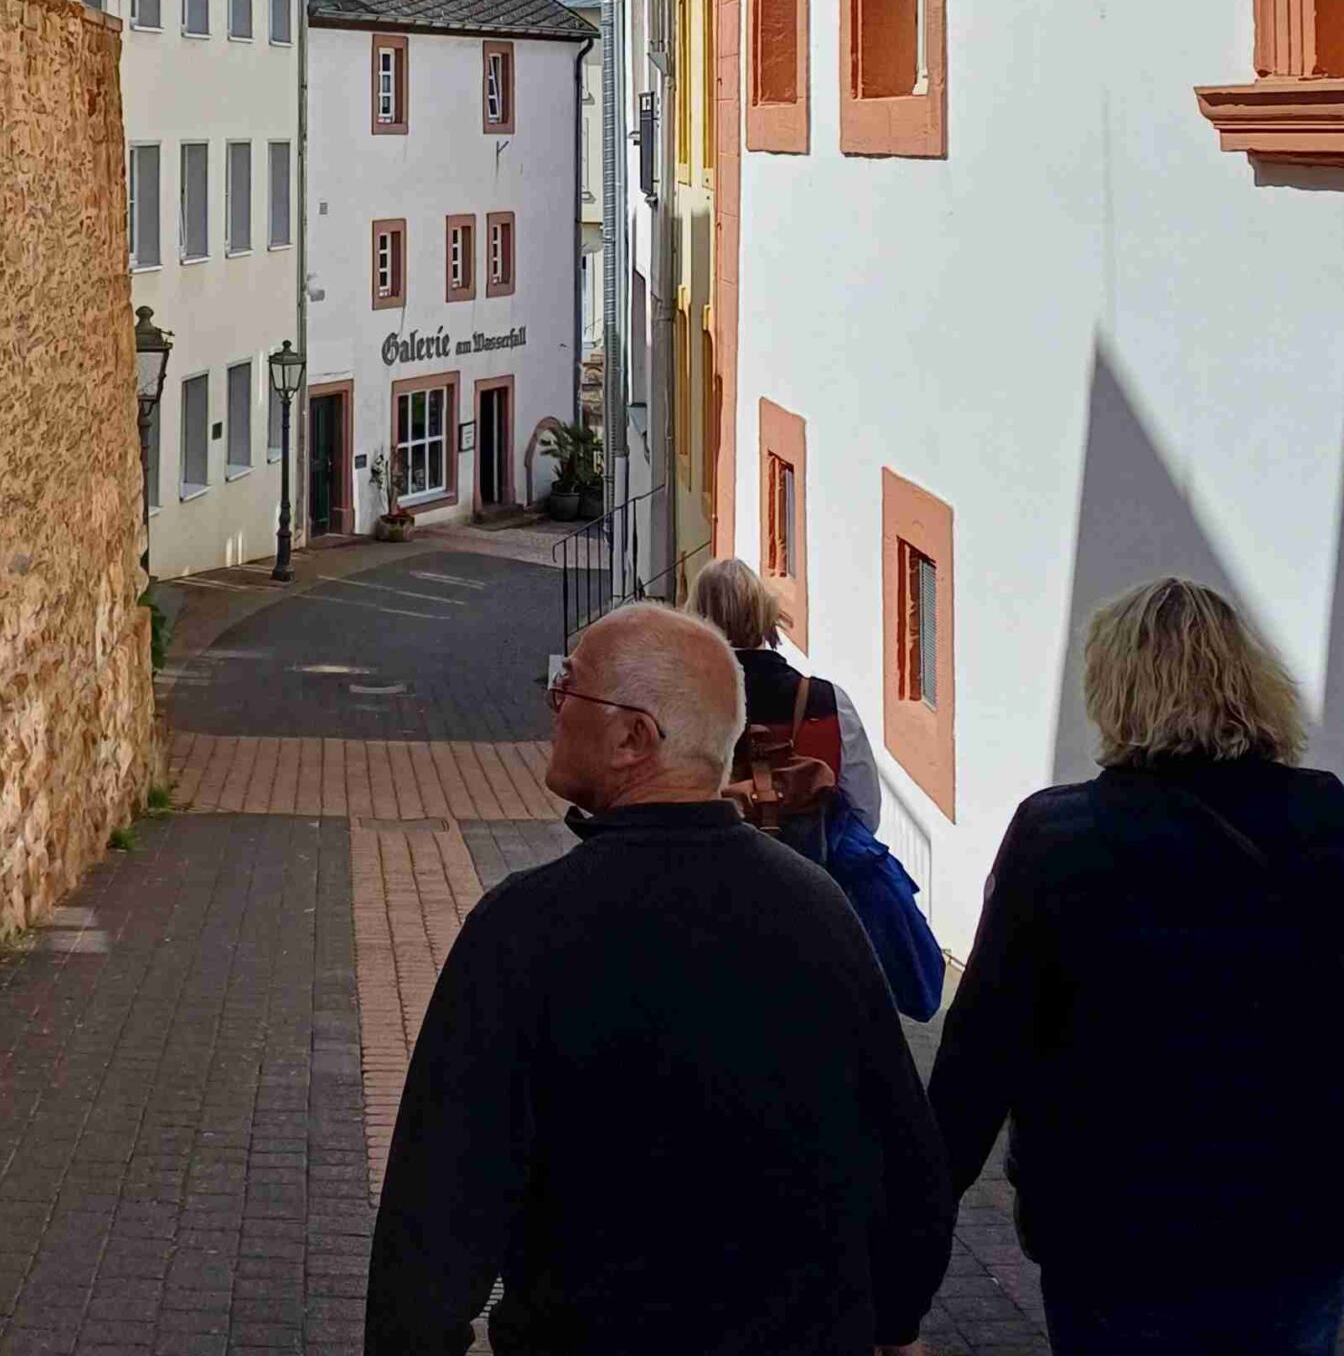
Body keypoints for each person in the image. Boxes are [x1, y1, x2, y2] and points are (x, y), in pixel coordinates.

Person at [364, 602, 952, 1355]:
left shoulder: (526, 929)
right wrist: (895, 1325)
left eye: (569, 686)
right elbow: (908, 1170)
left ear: (632, 738)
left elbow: (433, 1224)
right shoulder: (818, 908)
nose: (553, 704)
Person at [928, 575, 1344, 1356]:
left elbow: (979, 1058)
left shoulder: (1060, 836)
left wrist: (907, 1264)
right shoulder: (1327, 817)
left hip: (1114, 1239)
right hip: (1296, 1231)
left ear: (1115, 690)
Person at [688, 555, 883, 833]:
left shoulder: (677, 704)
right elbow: (865, 812)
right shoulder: (828, 701)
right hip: (807, 857)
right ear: (766, 616)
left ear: (696, 619)